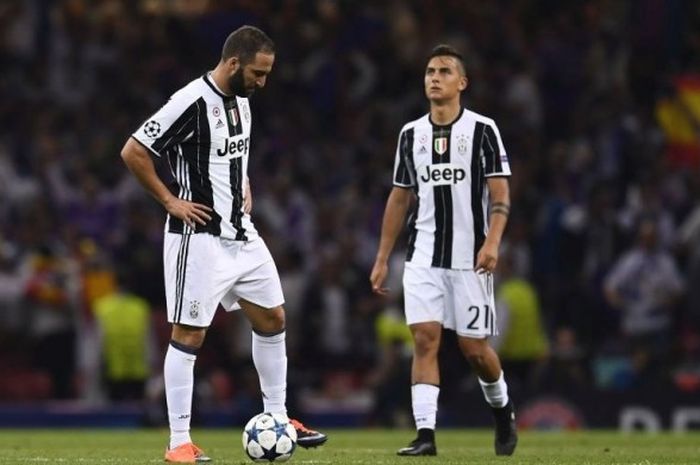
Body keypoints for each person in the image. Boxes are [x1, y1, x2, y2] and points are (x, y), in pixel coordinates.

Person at [120, 25, 327, 463]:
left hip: (242, 233)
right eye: (257, 73)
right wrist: (170, 200)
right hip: (198, 239)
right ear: (233, 63)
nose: (262, 82)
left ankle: (279, 417)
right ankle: (178, 441)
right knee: (190, 335)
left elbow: (231, 154)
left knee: (273, 317)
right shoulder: (189, 102)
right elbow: (134, 150)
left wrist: (243, 181)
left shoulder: (243, 101)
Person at [370, 44, 517, 457]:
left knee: (475, 350)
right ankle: (425, 435)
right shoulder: (409, 134)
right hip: (423, 256)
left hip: (471, 259)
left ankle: (502, 410)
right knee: (424, 339)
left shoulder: (483, 129)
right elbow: (399, 198)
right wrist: (383, 257)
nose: (434, 77)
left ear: (462, 83)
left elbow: (501, 193)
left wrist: (493, 242)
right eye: (430, 71)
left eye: (445, 71)